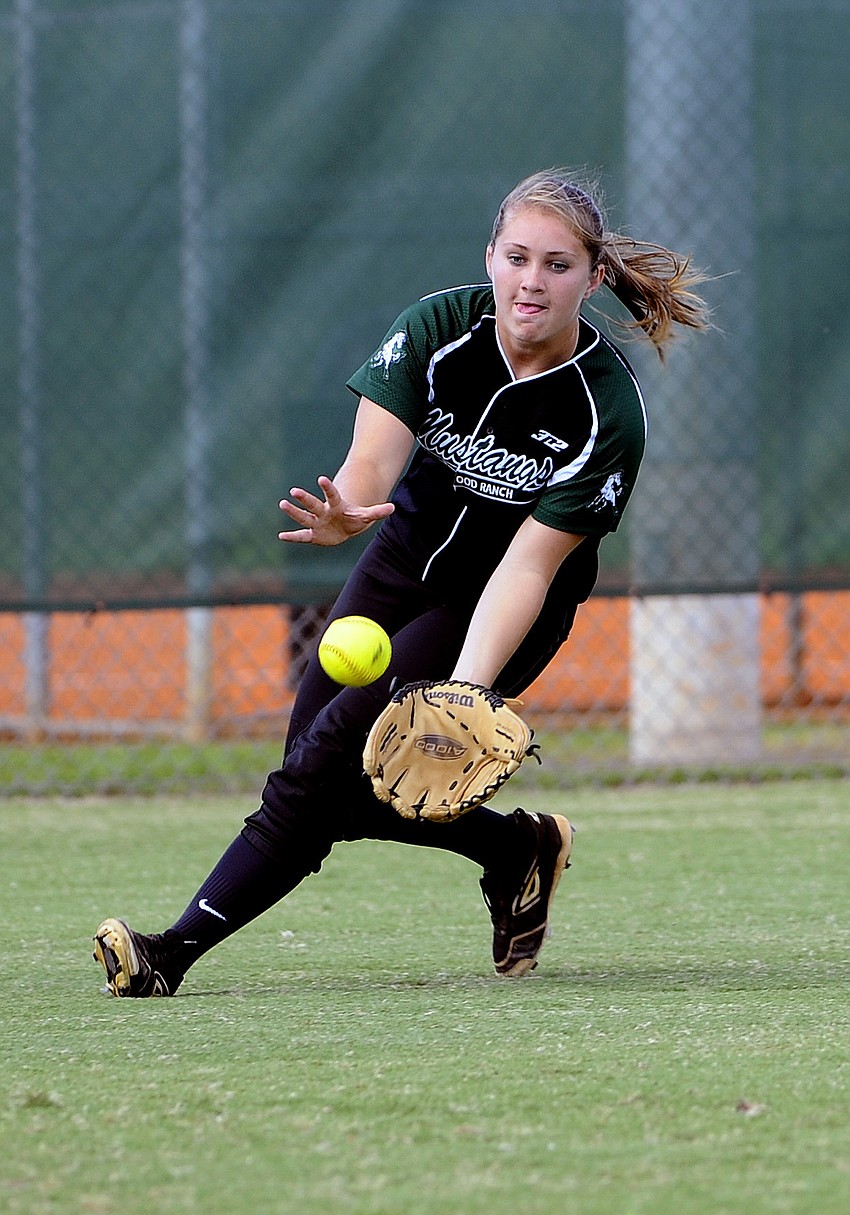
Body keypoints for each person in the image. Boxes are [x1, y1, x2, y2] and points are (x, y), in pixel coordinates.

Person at [93, 168, 711, 996]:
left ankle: (167, 957)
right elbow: (370, 462)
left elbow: (528, 564)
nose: (532, 281)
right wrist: (347, 508)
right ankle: (513, 848)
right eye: (518, 256)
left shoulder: (606, 411)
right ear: (489, 255)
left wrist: (466, 691)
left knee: (314, 778)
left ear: (594, 278)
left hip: (500, 602)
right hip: (400, 564)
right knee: (322, 773)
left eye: (558, 265)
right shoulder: (439, 329)